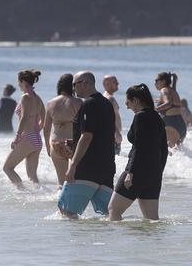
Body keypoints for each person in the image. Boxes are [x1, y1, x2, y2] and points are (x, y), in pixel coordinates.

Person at [57, 71, 116, 218]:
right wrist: (75, 141)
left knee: (66, 210)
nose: (73, 88)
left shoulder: (88, 103)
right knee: (109, 215)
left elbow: (87, 136)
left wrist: (73, 165)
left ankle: (79, 241)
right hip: (107, 168)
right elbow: (103, 133)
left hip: (87, 167)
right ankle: (105, 241)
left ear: (85, 83)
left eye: (74, 84)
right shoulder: (107, 103)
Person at [109, 84, 169, 221]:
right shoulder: (157, 118)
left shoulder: (140, 117)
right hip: (154, 173)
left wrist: (130, 172)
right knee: (151, 219)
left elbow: (139, 147)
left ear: (136, 100)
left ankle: (114, 242)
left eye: (128, 102)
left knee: (114, 210)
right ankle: (153, 242)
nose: (127, 106)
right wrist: (159, 171)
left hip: (137, 172)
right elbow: (163, 149)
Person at [3, 69, 43, 188]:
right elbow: (44, 118)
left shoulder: (25, 97)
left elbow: (24, 117)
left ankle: (23, 193)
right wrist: (37, 130)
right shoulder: (38, 98)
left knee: (7, 168)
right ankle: (40, 196)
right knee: (32, 177)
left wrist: (17, 137)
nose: (17, 83)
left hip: (27, 137)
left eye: (18, 81)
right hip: (36, 139)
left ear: (23, 81)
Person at [43, 73, 82, 186]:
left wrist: (47, 146)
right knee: (76, 180)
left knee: (61, 183)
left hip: (56, 143)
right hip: (74, 144)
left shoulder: (51, 103)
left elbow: (46, 128)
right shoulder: (78, 102)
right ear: (73, 86)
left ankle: (60, 202)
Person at [155, 72, 187, 147]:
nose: (154, 83)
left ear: (163, 81)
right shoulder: (172, 91)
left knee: (166, 154)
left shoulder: (164, 90)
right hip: (181, 125)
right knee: (177, 154)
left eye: (156, 81)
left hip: (171, 125)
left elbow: (168, 103)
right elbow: (171, 102)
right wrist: (174, 80)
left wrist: (155, 109)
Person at [102, 74, 123, 155]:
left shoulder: (107, 97)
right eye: (115, 82)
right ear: (107, 84)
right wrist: (117, 133)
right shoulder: (109, 98)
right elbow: (108, 118)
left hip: (111, 135)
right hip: (112, 136)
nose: (118, 83)